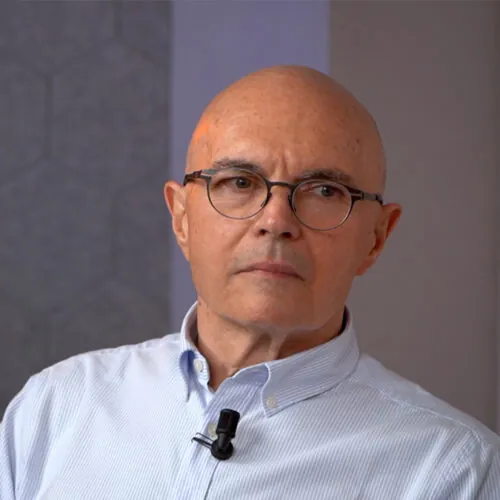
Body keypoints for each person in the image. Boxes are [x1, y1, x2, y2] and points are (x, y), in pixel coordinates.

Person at [1, 66, 499, 499]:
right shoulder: (57, 407)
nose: (276, 221)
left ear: (376, 237)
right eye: (239, 182)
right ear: (181, 218)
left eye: (325, 190)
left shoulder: (454, 469)